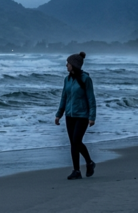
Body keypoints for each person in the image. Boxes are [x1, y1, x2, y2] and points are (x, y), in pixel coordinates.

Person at [54, 51, 96, 180]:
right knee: (73, 143)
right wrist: (59, 114)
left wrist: (92, 117)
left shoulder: (85, 79)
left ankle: (89, 162)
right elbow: (64, 98)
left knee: (77, 141)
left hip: (82, 115)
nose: (66, 65)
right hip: (69, 115)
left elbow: (91, 98)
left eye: (68, 63)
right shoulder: (67, 79)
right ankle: (76, 171)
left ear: (74, 65)